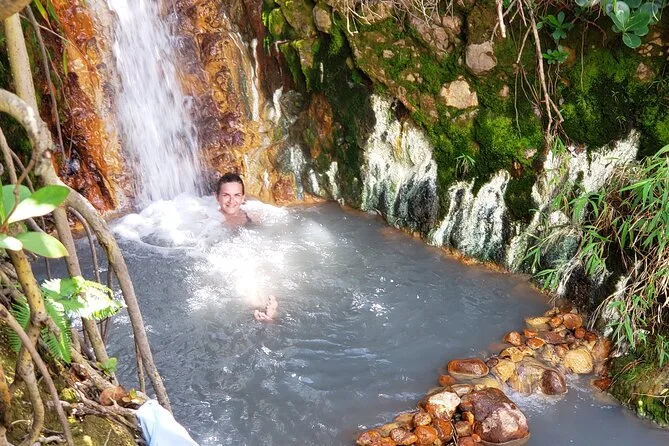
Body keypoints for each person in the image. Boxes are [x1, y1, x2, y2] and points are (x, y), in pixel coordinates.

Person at [216, 173, 278, 321]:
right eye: (226, 195)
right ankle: (262, 310)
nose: (232, 201)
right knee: (243, 276)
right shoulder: (209, 221)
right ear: (217, 197)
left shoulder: (251, 216)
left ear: (243, 197)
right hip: (225, 256)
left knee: (261, 272)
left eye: (237, 195)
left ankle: (268, 310)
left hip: (250, 250)